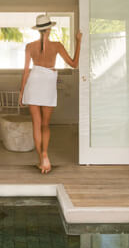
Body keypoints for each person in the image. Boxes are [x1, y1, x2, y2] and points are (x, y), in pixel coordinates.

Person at [19, 14, 82, 174]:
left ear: (38, 30)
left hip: (33, 83)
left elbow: (26, 72)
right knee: (45, 125)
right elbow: (74, 64)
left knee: (36, 124)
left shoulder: (29, 46)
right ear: (49, 29)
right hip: (48, 84)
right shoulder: (57, 46)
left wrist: (21, 93)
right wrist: (78, 41)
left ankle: (41, 159)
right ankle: (45, 153)